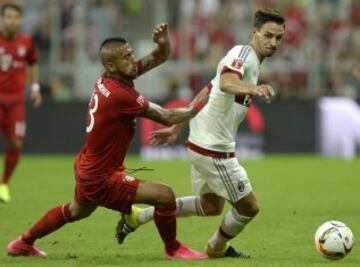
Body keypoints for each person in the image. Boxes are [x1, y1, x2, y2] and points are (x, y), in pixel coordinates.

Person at [7, 23, 208, 260]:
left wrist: (163, 43)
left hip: (88, 167)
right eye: (127, 57)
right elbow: (167, 116)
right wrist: (204, 102)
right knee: (165, 195)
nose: (133, 61)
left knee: (76, 210)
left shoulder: (114, 77)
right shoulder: (120, 95)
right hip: (102, 176)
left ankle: (22, 243)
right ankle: (173, 249)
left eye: (131, 54)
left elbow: (158, 57)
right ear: (111, 65)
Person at [116, 9, 285, 258]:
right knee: (249, 207)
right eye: (268, 35)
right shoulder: (243, 56)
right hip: (214, 149)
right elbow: (227, 83)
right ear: (255, 32)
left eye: (278, 38)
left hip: (201, 142)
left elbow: (209, 90)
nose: (273, 42)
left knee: (211, 206)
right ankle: (216, 248)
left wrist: (177, 126)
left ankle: (139, 216)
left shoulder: (248, 59)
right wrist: (255, 88)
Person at [0, 3, 42, 203]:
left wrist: (35, 88)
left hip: (15, 102)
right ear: (2, 19)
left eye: (15, 17)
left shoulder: (26, 42)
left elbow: (33, 63)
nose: (11, 21)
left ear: (20, 20)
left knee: (16, 142)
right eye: (7, 17)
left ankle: (4, 184)